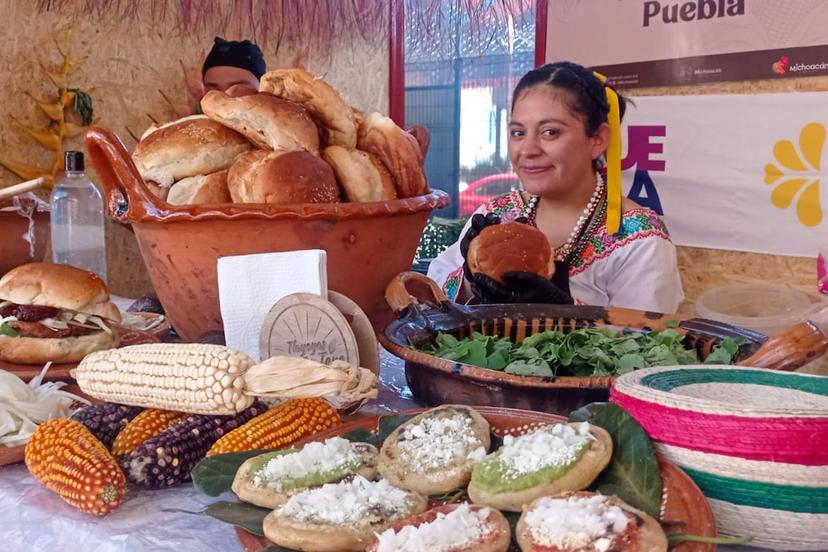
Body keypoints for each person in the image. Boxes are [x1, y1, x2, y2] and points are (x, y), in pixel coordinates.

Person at [427, 61, 684, 314]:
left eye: (550, 132)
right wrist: (473, 281)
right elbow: (434, 290)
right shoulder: (498, 214)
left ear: (597, 140)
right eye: (518, 132)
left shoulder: (638, 240)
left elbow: (647, 343)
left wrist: (565, 313)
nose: (527, 150)